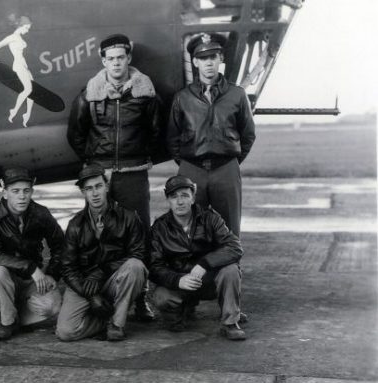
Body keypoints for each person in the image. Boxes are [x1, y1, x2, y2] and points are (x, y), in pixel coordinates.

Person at [66, 32, 163, 320]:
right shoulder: (89, 95)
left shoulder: (145, 95)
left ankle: (139, 298)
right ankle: (96, 294)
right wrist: (96, 164)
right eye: (111, 59)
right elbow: (76, 135)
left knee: (139, 235)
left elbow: (157, 133)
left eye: (121, 57)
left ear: (129, 59)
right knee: (98, 234)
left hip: (133, 175)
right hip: (102, 174)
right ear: (103, 61)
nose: (116, 63)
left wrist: (137, 155)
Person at [166, 33, 256, 237]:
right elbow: (172, 137)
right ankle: (193, 269)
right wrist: (188, 164)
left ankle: (231, 269)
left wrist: (231, 160)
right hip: (192, 169)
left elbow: (248, 134)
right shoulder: (183, 98)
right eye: (203, 58)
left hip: (226, 169)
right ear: (195, 62)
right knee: (190, 228)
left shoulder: (237, 95)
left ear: (220, 59)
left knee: (230, 229)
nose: (209, 63)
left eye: (213, 57)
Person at [56, 164, 148, 342]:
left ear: (106, 186)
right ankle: (104, 319)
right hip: (85, 284)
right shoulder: (75, 224)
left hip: (115, 279)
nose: (95, 193)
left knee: (136, 267)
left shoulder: (128, 217)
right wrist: (90, 295)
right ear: (83, 192)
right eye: (89, 189)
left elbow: (139, 254)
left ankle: (117, 325)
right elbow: (67, 268)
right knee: (65, 332)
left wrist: (103, 271)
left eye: (98, 186)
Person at [149, 175, 246, 340]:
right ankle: (185, 308)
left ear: (193, 198)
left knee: (231, 270)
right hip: (181, 283)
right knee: (163, 301)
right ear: (168, 200)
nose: (180, 202)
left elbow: (235, 247)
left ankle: (230, 322)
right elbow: (154, 266)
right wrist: (178, 280)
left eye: (185, 196)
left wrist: (204, 264)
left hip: (209, 280)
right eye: (174, 197)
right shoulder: (159, 227)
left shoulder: (210, 218)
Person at [0, 167, 64, 340]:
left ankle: (18, 317)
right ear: (5, 193)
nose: (22, 196)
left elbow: (61, 246)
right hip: (7, 277)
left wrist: (52, 275)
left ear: (32, 191)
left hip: (33, 281)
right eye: (15, 191)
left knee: (53, 306)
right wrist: (32, 268)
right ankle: (7, 323)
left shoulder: (41, 213)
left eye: (26, 191)